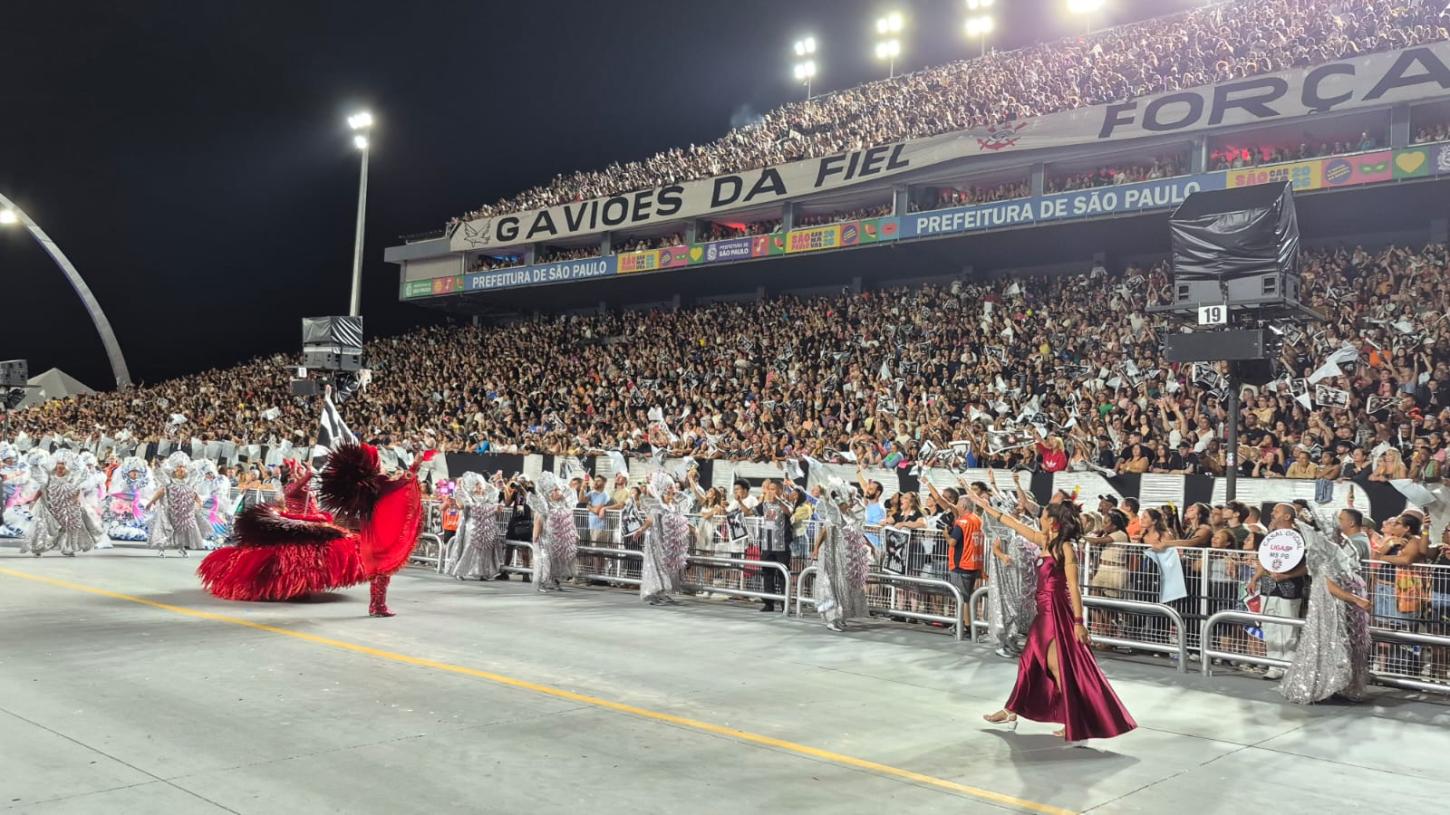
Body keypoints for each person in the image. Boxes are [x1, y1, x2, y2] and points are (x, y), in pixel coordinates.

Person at [973, 497, 1137, 744]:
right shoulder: (1043, 540)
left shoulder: (1066, 548)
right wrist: (987, 508)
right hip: (1043, 611)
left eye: (1043, 515)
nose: (1039, 518)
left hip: (1057, 611)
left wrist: (1079, 622)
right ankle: (1013, 710)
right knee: (1029, 661)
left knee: (1057, 667)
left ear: (1053, 521)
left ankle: (1073, 719)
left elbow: (1073, 587)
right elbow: (1014, 523)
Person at [317, 441, 433, 617]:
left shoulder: (364, 486)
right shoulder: (378, 482)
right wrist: (416, 464)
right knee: (383, 570)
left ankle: (377, 605)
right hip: (378, 533)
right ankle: (377, 606)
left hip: (369, 532)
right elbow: (402, 483)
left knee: (379, 571)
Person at [1280, 507, 1372, 704]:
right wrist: (1355, 599)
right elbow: (1328, 584)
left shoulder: (1337, 551)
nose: (1337, 528)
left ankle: (1338, 685)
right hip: (1326, 606)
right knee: (1325, 642)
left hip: (1338, 607)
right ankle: (1321, 686)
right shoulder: (1322, 554)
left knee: (1336, 644)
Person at [1252, 504, 1312, 680]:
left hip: (1291, 588)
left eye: (1276, 512)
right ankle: (1274, 664)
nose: (1272, 514)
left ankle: (1289, 666)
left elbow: (1309, 565)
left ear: (1287, 516)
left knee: (1288, 626)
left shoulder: (1300, 538)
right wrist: (1255, 578)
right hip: (1268, 586)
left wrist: (1288, 575)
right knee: (1270, 625)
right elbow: (1264, 559)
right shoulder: (1271, 537)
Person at [22, 450, 105, 557]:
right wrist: (34, 500)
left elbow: (77, 489)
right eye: (58, 466)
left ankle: (67, 548)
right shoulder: (49, 476)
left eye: (63, 467)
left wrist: (77, 499)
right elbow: (42, 489)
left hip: (67, 505)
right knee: (45, 526)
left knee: (68, 527)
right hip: (50, 505)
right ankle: (39, 547)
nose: (60, 469)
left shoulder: (72, 477)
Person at [811, 486, 871, 632]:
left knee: (844, 585)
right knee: (830, 584)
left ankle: (841, 617)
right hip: (831, 554)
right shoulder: (834, 514)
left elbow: (858, 533)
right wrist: (816, 548)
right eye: (847, 500)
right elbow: (824, 531)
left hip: (846, 557)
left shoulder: (852, 515)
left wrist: (870, 547)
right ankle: (832, 618)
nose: (850, 503)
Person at [639, 471, 692, 606]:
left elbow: (685, 502)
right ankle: (656, 593)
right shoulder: (657, 505)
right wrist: (640, 530)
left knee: (667, 566)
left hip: (667, 541)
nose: (671, 493)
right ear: (662, 491)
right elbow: (650, 520)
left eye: (672, 491)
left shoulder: (672, 506)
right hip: (655, 540)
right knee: (657, 565)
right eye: (668, 491)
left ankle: (663, 593)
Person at [526, 472, 580, 593]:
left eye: (558, 489)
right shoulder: (545, 505)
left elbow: (570, 520)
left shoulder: (565, 504)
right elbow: (538, 520)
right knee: (544, 561)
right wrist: (535, 536)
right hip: (545, 538)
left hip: (560, 540)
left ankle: (555, 581)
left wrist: (574, 532)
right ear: (550, 492)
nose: (558, 491)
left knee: (558, 561)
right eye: (555, 489)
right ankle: (541, 583)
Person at [146, 452, 208, 557]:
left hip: (184, 512)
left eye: (183, 467)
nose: (181, 469)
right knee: (167, 529)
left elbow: (194, 494)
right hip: (170, 510)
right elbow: (161, 491)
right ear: (174, 469)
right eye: (179, 467)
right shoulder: (169, 481)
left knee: (182, 530)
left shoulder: (189, 482)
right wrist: (151, 502)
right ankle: (162, 548)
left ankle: (181, 547)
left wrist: (199, 502)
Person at [446, 471, 505, 581]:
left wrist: (497, 507)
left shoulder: (489, 495)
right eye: (477, 484)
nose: (479, 487)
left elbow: (495, 502)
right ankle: (460, 571)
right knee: (469, 547)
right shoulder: (469, 497)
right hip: (473, 526)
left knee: (485, 551)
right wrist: (492, 508)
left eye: (480, 484)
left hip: (487, 526)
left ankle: (483, 572)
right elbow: (474, 509)